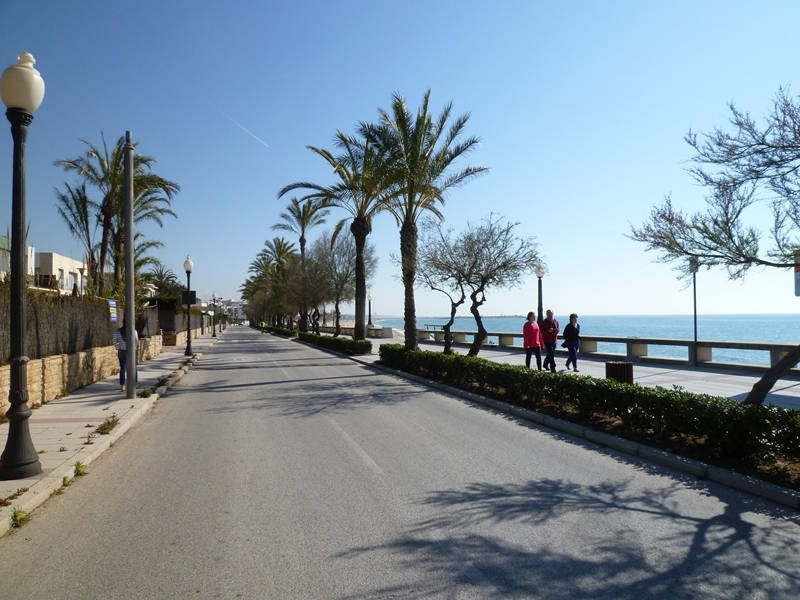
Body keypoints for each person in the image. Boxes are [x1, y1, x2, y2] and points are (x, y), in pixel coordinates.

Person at [112, 318, 139, 391]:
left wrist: (118, 347)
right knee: (133, 368)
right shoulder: (133, 331)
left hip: (122, 351)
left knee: (123, 368)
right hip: (131, 352)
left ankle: (122, 385)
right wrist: (134, 347)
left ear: (123, 322)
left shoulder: (118, 331)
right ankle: (134, 384)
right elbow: (136, 340)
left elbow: (114, 340)